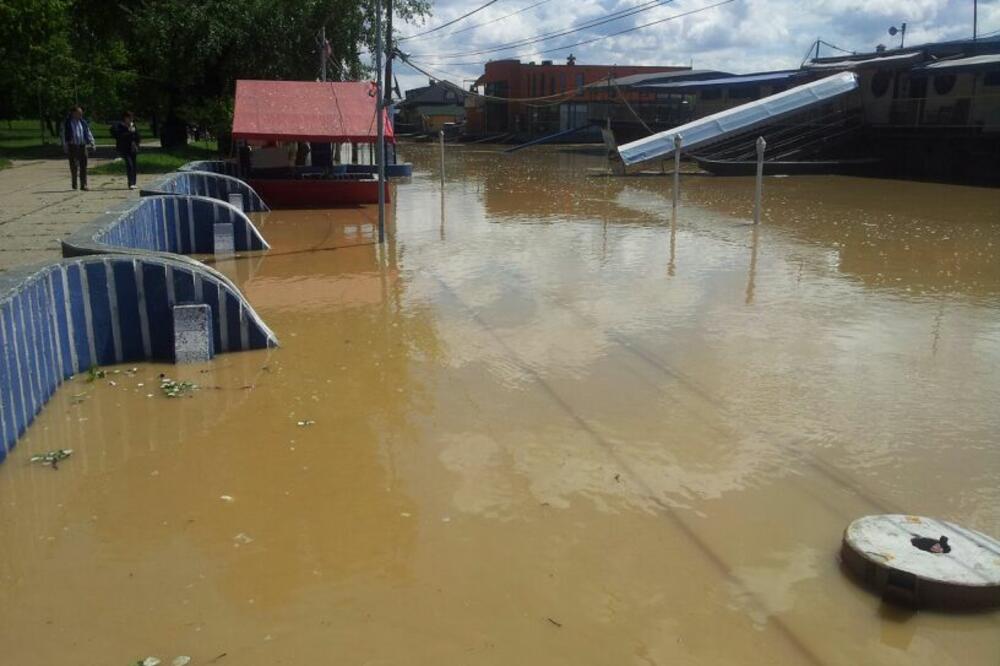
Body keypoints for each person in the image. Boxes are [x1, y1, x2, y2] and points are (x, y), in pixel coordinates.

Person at [62, 106, 95, 191]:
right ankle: (74, 183)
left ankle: (84, 184)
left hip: (82, 146)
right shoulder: (68, 123)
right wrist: (65, 146)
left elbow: (88, 132)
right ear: (73, 113)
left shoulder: (83, 122)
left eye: (81, 113)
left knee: (83, 166)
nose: (81, 114)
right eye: (78, 113)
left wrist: (92, 143)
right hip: (72, 146)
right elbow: (64, 135)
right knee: (74, 166)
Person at [110, 111, 141, 189]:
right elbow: (119, 136)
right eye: (130, 118)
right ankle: (130, 183)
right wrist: (129, 132)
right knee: (129, 164)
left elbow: (137, 135)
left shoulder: (133, 125)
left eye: (132, 118)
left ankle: (133, 182)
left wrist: (137, 143)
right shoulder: (120, 126)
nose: (131, 119)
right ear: (125, 118)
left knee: (134, 165)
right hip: (124, 148)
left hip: (132, 148)